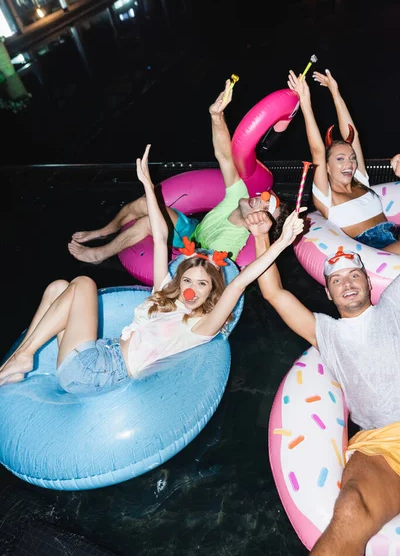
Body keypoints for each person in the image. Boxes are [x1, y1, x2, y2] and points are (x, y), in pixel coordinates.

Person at [0, 145, 304, 390]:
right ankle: (14, 363)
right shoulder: (164, 292)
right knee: (57, 288)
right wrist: (147, 184)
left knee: (83, 283)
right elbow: (160, 238)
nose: (192, 288)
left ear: (212, 292)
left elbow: (238, 284)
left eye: (202, 284)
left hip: (96, 371)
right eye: (189, 279)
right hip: (96, 356)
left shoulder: (200, 327)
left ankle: (24, 356)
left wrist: (282, 241)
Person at [250, 216, 400, 556]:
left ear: (368, 281)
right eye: (336, 280)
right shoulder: (325, 332)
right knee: (350, 508)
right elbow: (273, 293)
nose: (347, 283)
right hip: (384, 443)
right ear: (329, 294)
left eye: (353, 276)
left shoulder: (394, 302)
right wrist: (261, 234)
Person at [68, 80, 290, 265]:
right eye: (269, 197)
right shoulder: (238, 196)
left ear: (259, 221)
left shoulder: (230, 244)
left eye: (267, 206)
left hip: (195, 248)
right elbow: (224, 156)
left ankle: (99, 255)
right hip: (195, 229)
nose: (262, 197)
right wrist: (216, 116)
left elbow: (203, 267)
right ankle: (105, 230)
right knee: (146, 202)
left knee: (147, 222)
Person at [287, 68, 400, 253]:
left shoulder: (361, 181)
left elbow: (353, 136)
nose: (349, 163)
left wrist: (335, 92)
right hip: (374, 251)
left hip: (394, 241)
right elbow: (317, 151)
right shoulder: (326, 196)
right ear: (327, 167)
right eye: (340, 159)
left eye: (352, 158)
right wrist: (305, 102)